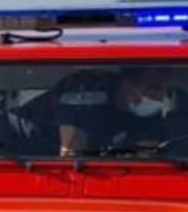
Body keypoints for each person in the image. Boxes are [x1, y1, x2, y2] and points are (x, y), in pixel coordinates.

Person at [57, 66, 188, 156]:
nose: (161, 98)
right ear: (127, 86)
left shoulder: (158, 119)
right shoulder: (85, 103)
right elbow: (70, 154)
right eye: (153, 89)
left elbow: (158, 151)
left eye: (166, 91)